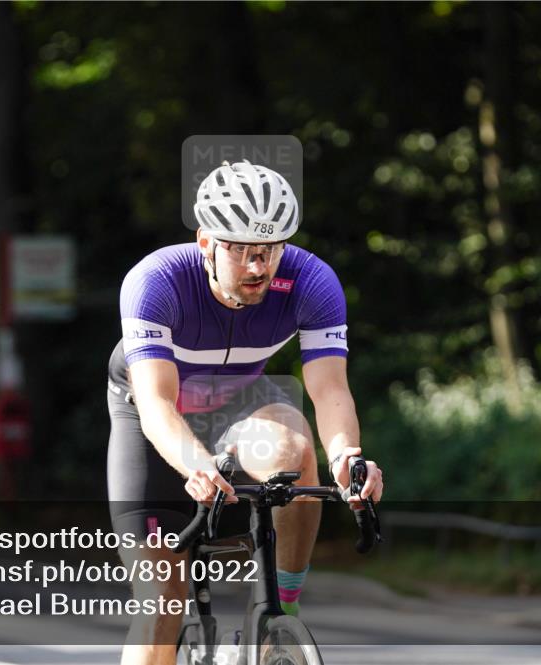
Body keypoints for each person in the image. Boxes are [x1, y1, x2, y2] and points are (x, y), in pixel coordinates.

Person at [106, 159, 383, 665]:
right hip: (149, 416)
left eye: (270, 250)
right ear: (206, 243)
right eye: (241, 251)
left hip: (238, 400)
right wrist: (195, 464)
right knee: (161, 602)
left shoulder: (310, 281)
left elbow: (329, 389)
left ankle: (279, 617)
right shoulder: (156, 281)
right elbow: (157, 402)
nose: (258, 267)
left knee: (295, 452)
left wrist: (347, 456)